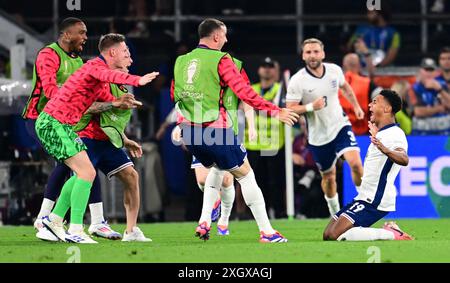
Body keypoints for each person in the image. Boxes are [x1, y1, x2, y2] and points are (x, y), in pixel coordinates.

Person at [172, 18, 298, 243]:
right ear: (217, 37)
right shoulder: (224, 60)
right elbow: (245, 93)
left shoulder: (181, 61)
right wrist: (274, 110)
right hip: (216, 131)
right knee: (247, 176)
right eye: (225, 34)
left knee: (216, 171)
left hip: (190, 132)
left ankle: (204, 220)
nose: (227, 39)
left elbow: (177, 95)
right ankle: (267, 232)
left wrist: (179, 125)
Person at [35, 33, 158, 244]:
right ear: (112, 53)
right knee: (85, 172)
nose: (129, 55)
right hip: (53, 123)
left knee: (84, 173)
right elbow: (114, 77)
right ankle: (74, 228)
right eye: (125, 51)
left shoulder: (98, 78)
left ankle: (54, 219)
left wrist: (122, 124)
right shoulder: (94, 66)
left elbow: (109, 102)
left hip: (60, 125)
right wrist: (138, 80)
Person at [21, 18, 120, 239]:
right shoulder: (49, 55)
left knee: (84, 164)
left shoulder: (78, 62)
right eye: (82, 33)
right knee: (74, 165)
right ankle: (46, 219)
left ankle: (92, 221)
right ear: (66, 35)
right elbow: (49, 91)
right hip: (41, 120)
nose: (86, 37)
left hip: (65, 123)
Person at [286, 38, 364, 217]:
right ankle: (335, 213)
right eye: (308, 52)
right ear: (303, 56)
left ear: (323, 53)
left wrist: (357, 107)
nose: (312, 56)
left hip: (340, 125)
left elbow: (346, 88)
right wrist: (310, 107)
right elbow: (290, 109)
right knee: (329, 178)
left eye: (315, 52)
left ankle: (364, 202)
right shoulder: (298, 80)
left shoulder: (334, 70)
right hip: (318, 135)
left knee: (356, 164)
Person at [322, 90, 413, 241]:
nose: (370, 105)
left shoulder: (395, 134)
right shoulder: (382, 134)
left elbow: (404, 159)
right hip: (364, 197)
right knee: (327, 234)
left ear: (387, 109)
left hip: (376, 199)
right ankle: (372, 231)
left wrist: (385, 150)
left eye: (375, 102)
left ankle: (391, 234)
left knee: (334, 235)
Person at [244, 57, 286, 218]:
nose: (267, 69)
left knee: (276, 182)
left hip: (275, 144)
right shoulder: (250, 89)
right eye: (264, 66)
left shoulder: (281, 89)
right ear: (259, 70)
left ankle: (279, 213)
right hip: (253, 144)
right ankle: (258, 215)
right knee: (255, 182)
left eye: (270, 66)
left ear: (275, 70)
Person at [339, 53, 382, 135]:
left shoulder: (335, 83)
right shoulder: (368, 83)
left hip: (340, 132)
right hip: (363, 133)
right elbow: (384, 100)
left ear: (343, 66)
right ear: (359, 66)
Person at [348, 3, 400, 67]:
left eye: (370, 13)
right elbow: (349, 46)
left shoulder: (394, 33)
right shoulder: (361, 29)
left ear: (380, 14)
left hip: (384, 71)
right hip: (362, 69)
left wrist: (378, 68)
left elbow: (392, 54)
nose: (367, 16)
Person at [411, 57, 450, 135]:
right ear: (420, 71)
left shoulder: (442, 86)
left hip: (443, 132)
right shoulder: (413, 88)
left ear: (436, 72)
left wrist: (439, 90)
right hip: (421, 133)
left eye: (431, 70)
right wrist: (439, 108)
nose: (429, 73)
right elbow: (418, 112)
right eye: (426, 70)